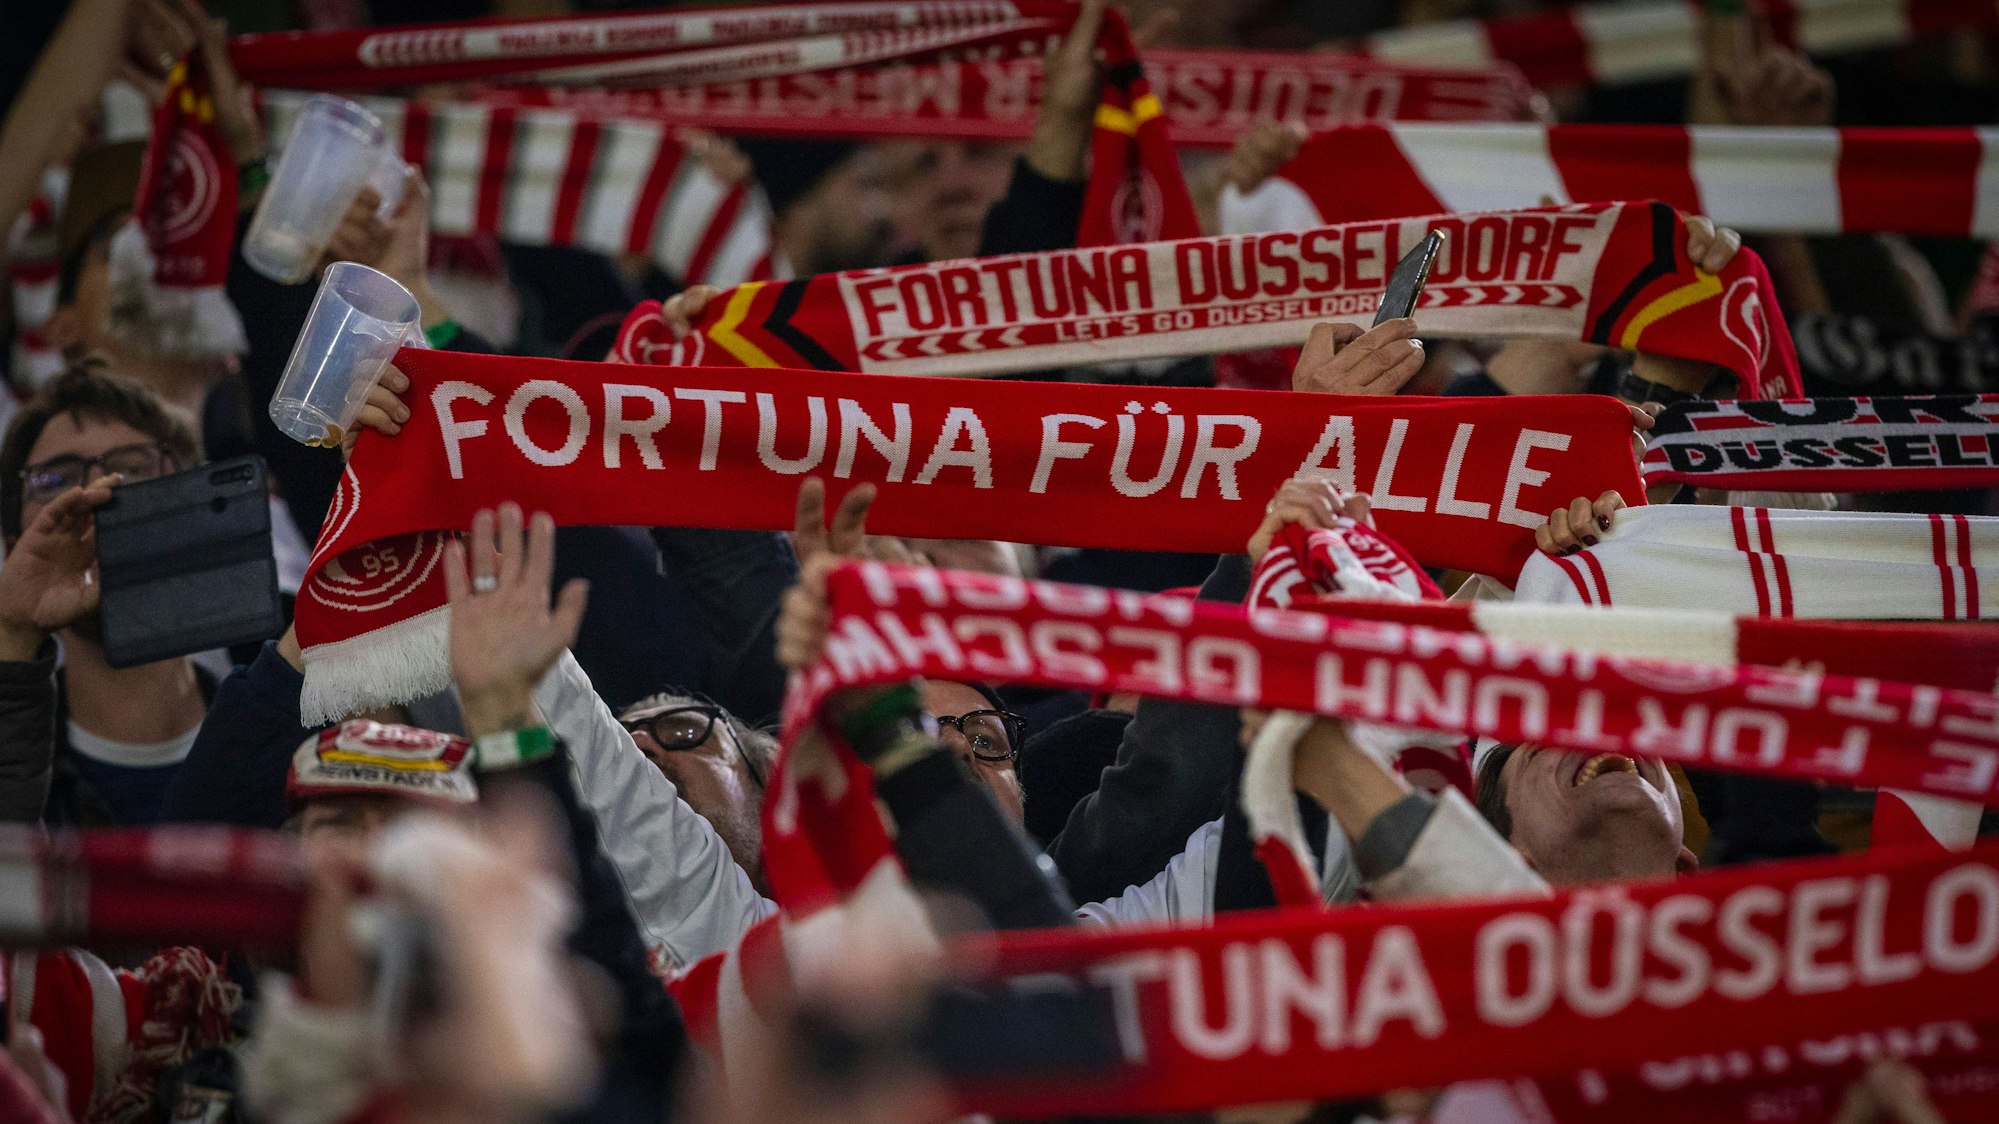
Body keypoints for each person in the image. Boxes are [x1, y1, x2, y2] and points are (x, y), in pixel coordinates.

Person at [0, 364, 211, 825]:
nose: (96, 496)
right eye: (55, 482)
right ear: (13, 548)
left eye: (132, 470)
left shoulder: (294, 707)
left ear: (195, 512)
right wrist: (13, 633)